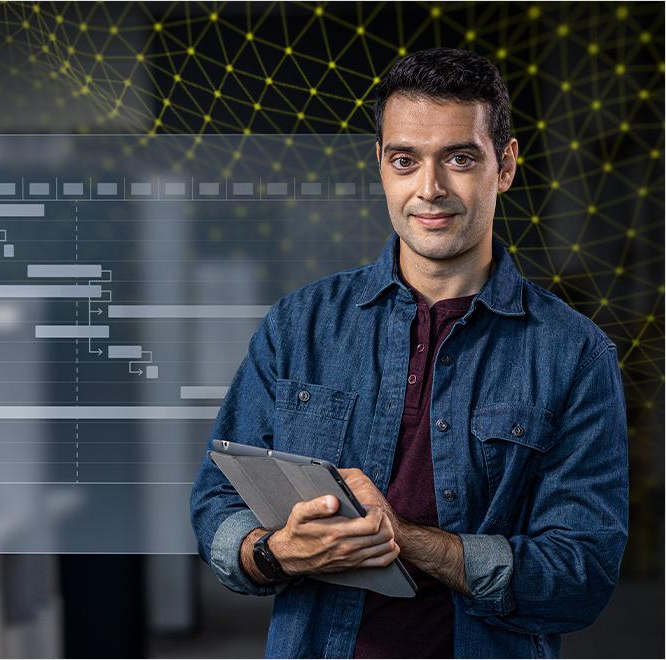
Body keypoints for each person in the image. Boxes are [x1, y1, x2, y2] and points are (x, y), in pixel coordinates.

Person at [189, 47, 628, 658]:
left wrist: (410, 541)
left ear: (504, 166)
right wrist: (273, 551)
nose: (430, 189)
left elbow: (580, 576)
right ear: (381, 165)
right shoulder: (300, 324)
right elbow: (217, 501)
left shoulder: (574, 354)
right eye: (405, 160)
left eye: (459, 158)